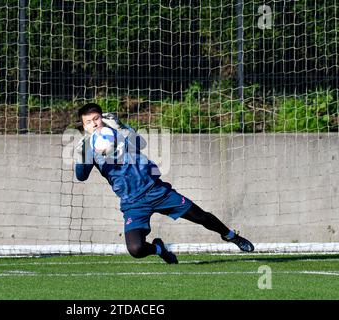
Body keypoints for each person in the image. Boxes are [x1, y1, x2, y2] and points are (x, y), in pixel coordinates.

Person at [74, 103, 254, 264]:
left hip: (156, 190)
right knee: (136, 249)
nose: (94, 123)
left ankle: (231, 236)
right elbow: (81, 176)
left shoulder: (118, 132)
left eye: (96, 118)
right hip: (133, 203)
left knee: (201, 216)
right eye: (89, 122)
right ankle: (159, 250)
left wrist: (121, 127)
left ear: (102, 118)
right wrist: (82, 156)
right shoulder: (87, 148)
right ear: (84, 126)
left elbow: (141, 143)